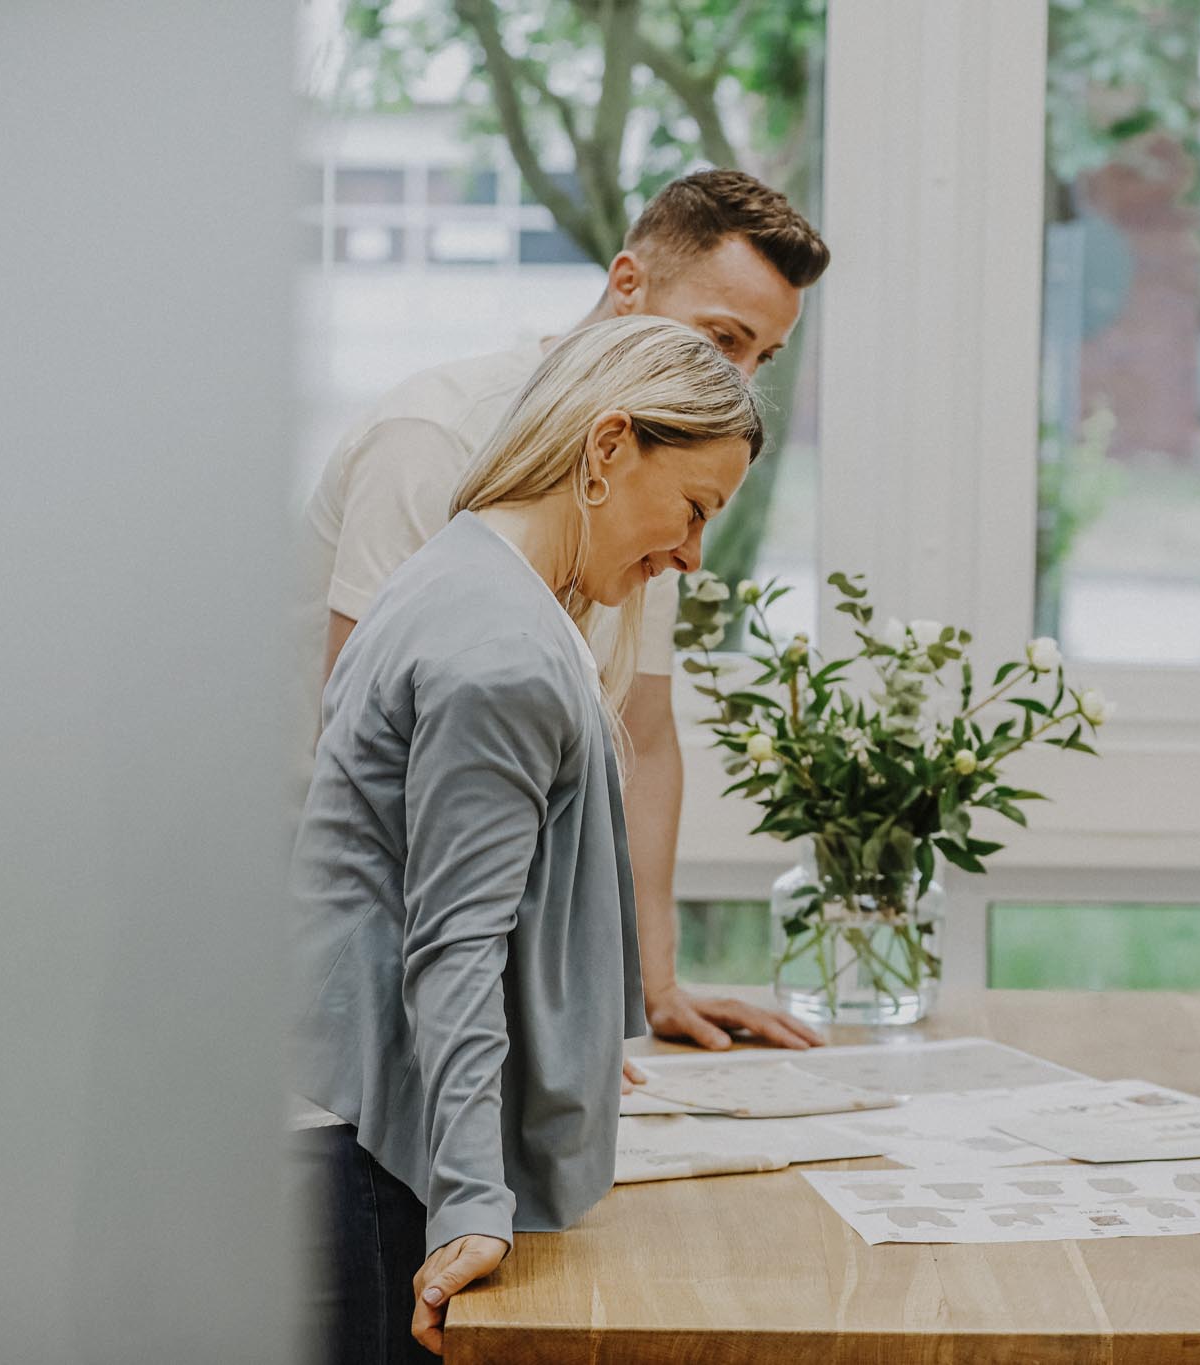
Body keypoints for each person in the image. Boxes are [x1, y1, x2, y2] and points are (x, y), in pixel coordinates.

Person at [292, 317, 763, 1361]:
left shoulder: (462, 576)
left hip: (359, 1124)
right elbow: (453, 941)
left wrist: (575, 1026)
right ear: (607, 447)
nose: (688, 555)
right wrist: (469, 1205)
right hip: (385, 1155)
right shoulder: (499, 651)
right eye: (692, 510)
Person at [299, 169, 830, 1056]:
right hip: (324, 928)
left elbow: (644, 736)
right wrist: (486, 1026)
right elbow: (364, 750)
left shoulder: (657, 470)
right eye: (721, 337)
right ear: (629, 285)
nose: (737, 377)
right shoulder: (436, 437)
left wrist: (648, 986)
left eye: (760, 358)